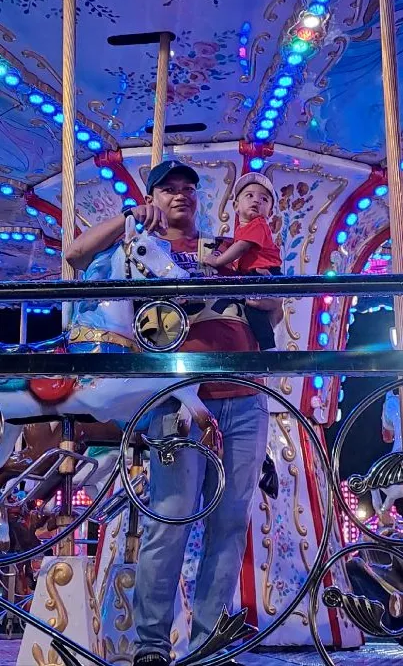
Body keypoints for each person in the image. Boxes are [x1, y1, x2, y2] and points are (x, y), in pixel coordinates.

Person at [66, 159, 284, 666]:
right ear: (152, 199)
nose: (181, 195)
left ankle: (209, 640)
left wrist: (267, 298)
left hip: (244, 395)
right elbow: (76, 256)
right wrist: (128, 218)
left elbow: (271, 303)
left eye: (189, 188)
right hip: (178, 399)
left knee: (230, 523)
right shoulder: (138, 250)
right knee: (170, 520)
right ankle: (151, 645)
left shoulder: (222, 249)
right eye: (168, 189)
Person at [204, 173, 282, 351]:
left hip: (262, 271)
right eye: (250, 195)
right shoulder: (245, 228)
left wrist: (217, 261)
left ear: (269, 212)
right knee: (250, 309)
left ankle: (269, 348)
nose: (257, 201)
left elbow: (241, 247)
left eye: (264, 199)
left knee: (255, 311)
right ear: (236, 206)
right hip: (253, 273)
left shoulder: (259, 224)